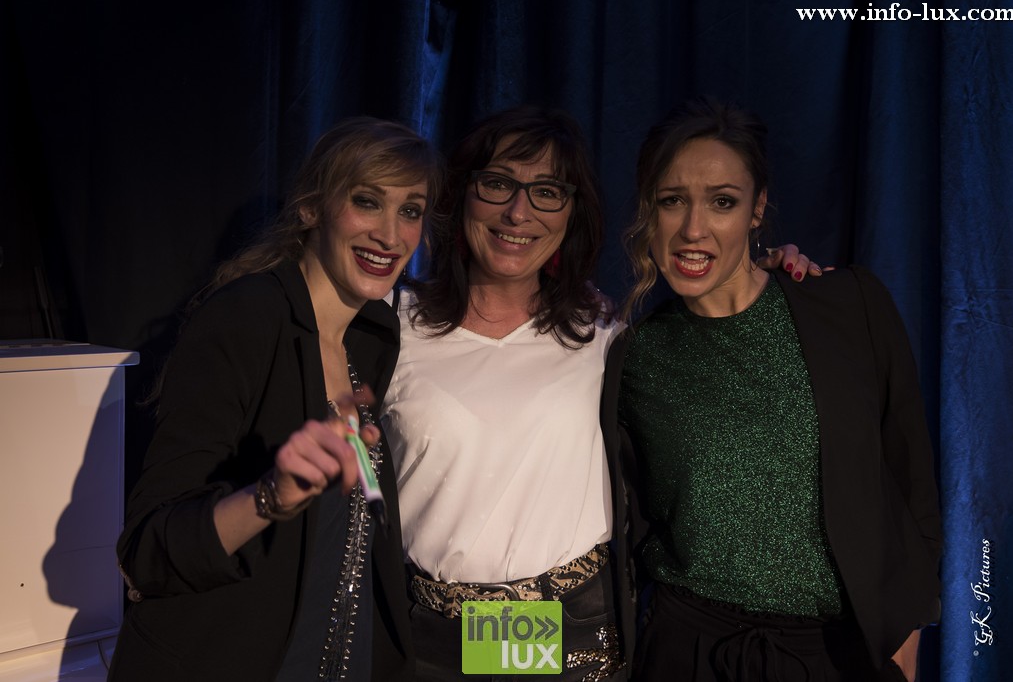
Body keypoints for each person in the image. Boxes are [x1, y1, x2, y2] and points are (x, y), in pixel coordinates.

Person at [379, 106, 817, 680]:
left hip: (564, 632)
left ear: (572, 214)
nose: (518, 212)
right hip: (425, 635)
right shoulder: (390, 325)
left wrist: (774, 277)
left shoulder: (604, 334)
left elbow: (720, 342)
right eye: (497, 184)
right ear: (461, 194)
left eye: (547, 192)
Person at [611, 97, 943, 681]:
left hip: (833, 657)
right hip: (687, 651)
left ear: (757, 208)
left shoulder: (849, 304)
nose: (693, 229)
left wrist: (906, 631)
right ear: (648, 209)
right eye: (672, 200)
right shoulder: (633, 355)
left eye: (723, 201)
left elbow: (909, 476)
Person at [109, 117, 442, 682]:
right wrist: (269, 497)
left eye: (410, 210)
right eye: (367, 202)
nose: (391, 235)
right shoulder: (246, 318)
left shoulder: (373, 338)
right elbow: (145, 552)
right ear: (311, 209)